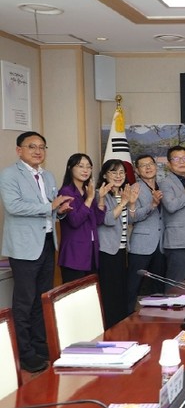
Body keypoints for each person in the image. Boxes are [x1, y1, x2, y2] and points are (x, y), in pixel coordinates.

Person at [0, 132, 72, 372]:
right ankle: (25, 353)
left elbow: (50, 209)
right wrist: (50, 206)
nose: (38, 151)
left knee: (42, 298)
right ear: (19, 150)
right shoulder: (9, 174)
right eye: (32, 146)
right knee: (24, 301)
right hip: (24, 247)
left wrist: (59, 210)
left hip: (47, 242)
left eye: (42, 147)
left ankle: (41, 346)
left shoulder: (47, 175)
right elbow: (14, 206)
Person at [57, 154, 107, 283]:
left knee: (90, 292)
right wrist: (90, 199)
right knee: (75, 293)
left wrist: (101, 198)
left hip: (91, 252)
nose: (85, 170)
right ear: (70, 168)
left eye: (89, 167)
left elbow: (98, 220)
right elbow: (75, 221)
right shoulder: (66, 191)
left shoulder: (87, 191)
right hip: (74, 254)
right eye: (81, 166)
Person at [96, 159, 134, 328]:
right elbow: (108, 220)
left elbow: (131, 220)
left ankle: (121, 328)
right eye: (113, 172)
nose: (118, 176)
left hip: (121, 250)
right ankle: (111, 329)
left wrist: (132, 203)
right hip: (107, 251)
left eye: (121, 172)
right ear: (105, 175)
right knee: (110, 294)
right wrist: (124, 203)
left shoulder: (124, 193)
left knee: (120, 293)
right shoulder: (100, 194)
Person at [126, 154, 165, 313]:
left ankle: (158, 317)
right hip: (141, 244)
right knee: (133, 285)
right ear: (137, 170)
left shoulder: (162, 185)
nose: (148, 167)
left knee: (157, 286)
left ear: (156, 166)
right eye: (143, 165)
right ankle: (127, 317)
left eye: (150, 164)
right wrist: (152, 205)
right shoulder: (135, 188)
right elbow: (131, 217)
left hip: (161, 243)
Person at [161, 145, 185, 282]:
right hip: (178, 241)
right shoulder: (166, 182)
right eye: (176, 159)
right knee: (175, 282)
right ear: (169, 163)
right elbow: (171, 206)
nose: (182, 162)